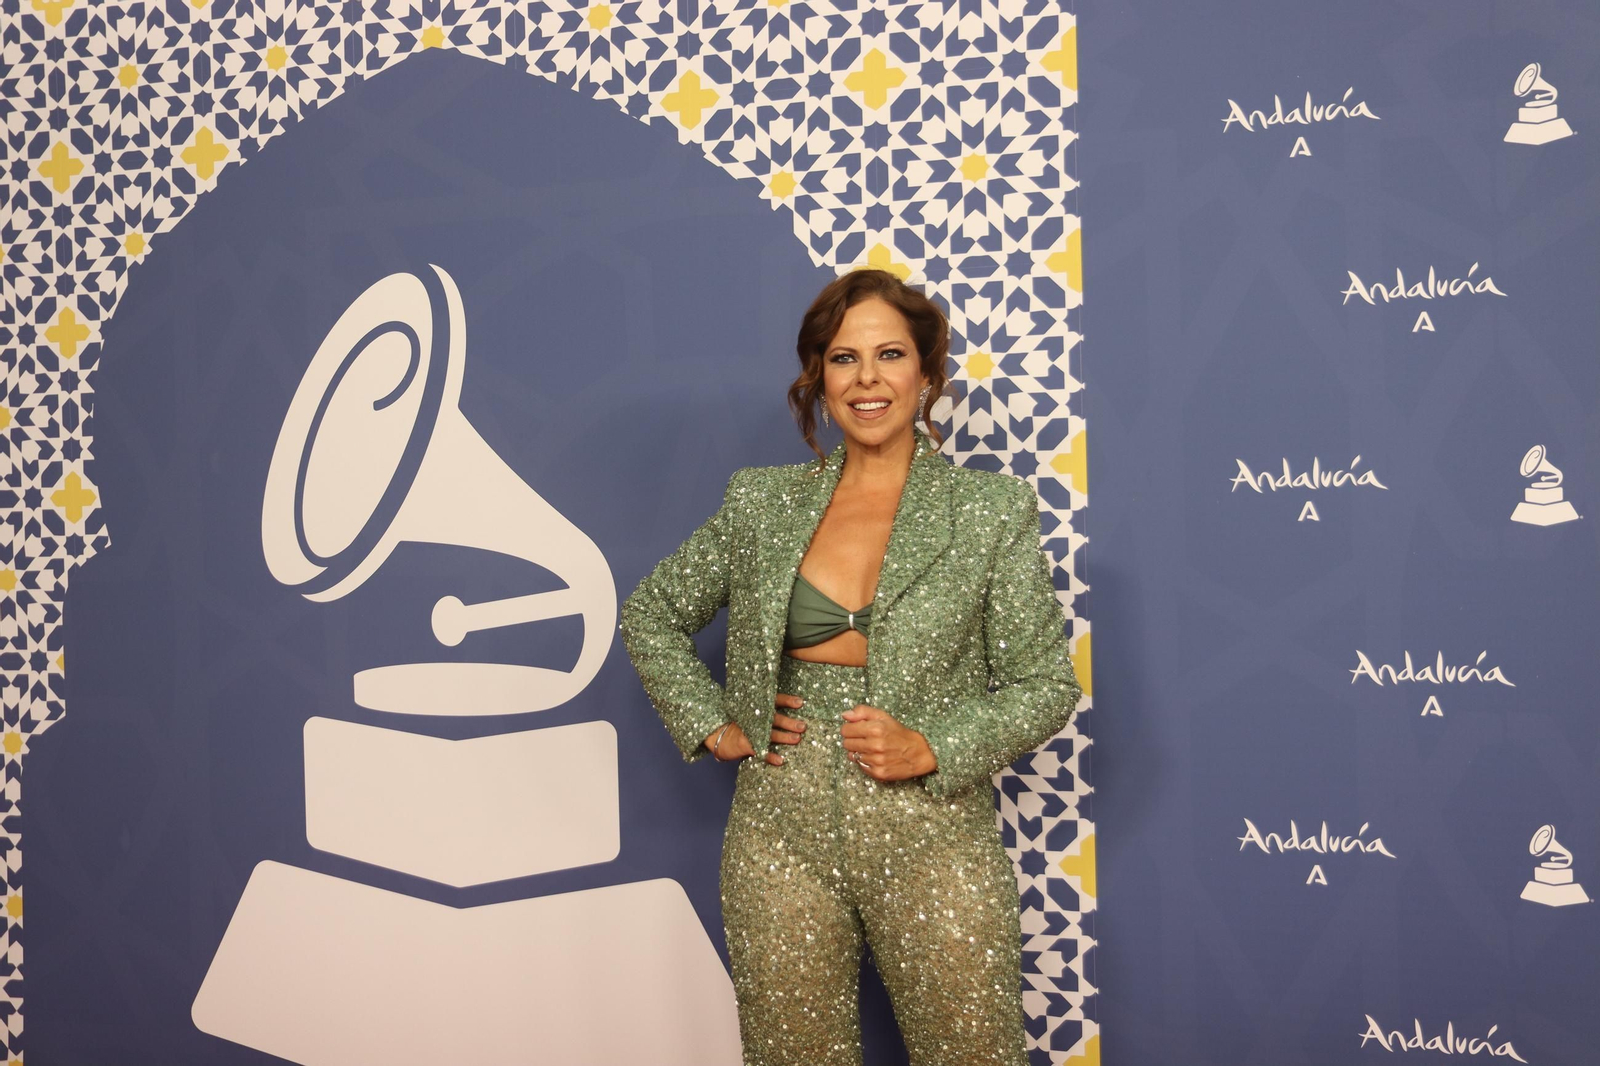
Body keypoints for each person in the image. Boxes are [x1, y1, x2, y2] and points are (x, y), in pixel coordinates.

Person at [620, 267, 1081, 1066]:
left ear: (928, 376)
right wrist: (715, 724)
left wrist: (934, 746)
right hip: (779, 833)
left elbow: (1046, 685)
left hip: (932, 834)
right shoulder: (760, 503)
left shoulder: (989, 511)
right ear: (818, 379)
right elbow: (651, 613)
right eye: (843, 359)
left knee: (973, 1052)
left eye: (891, 355)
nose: (867, 379)